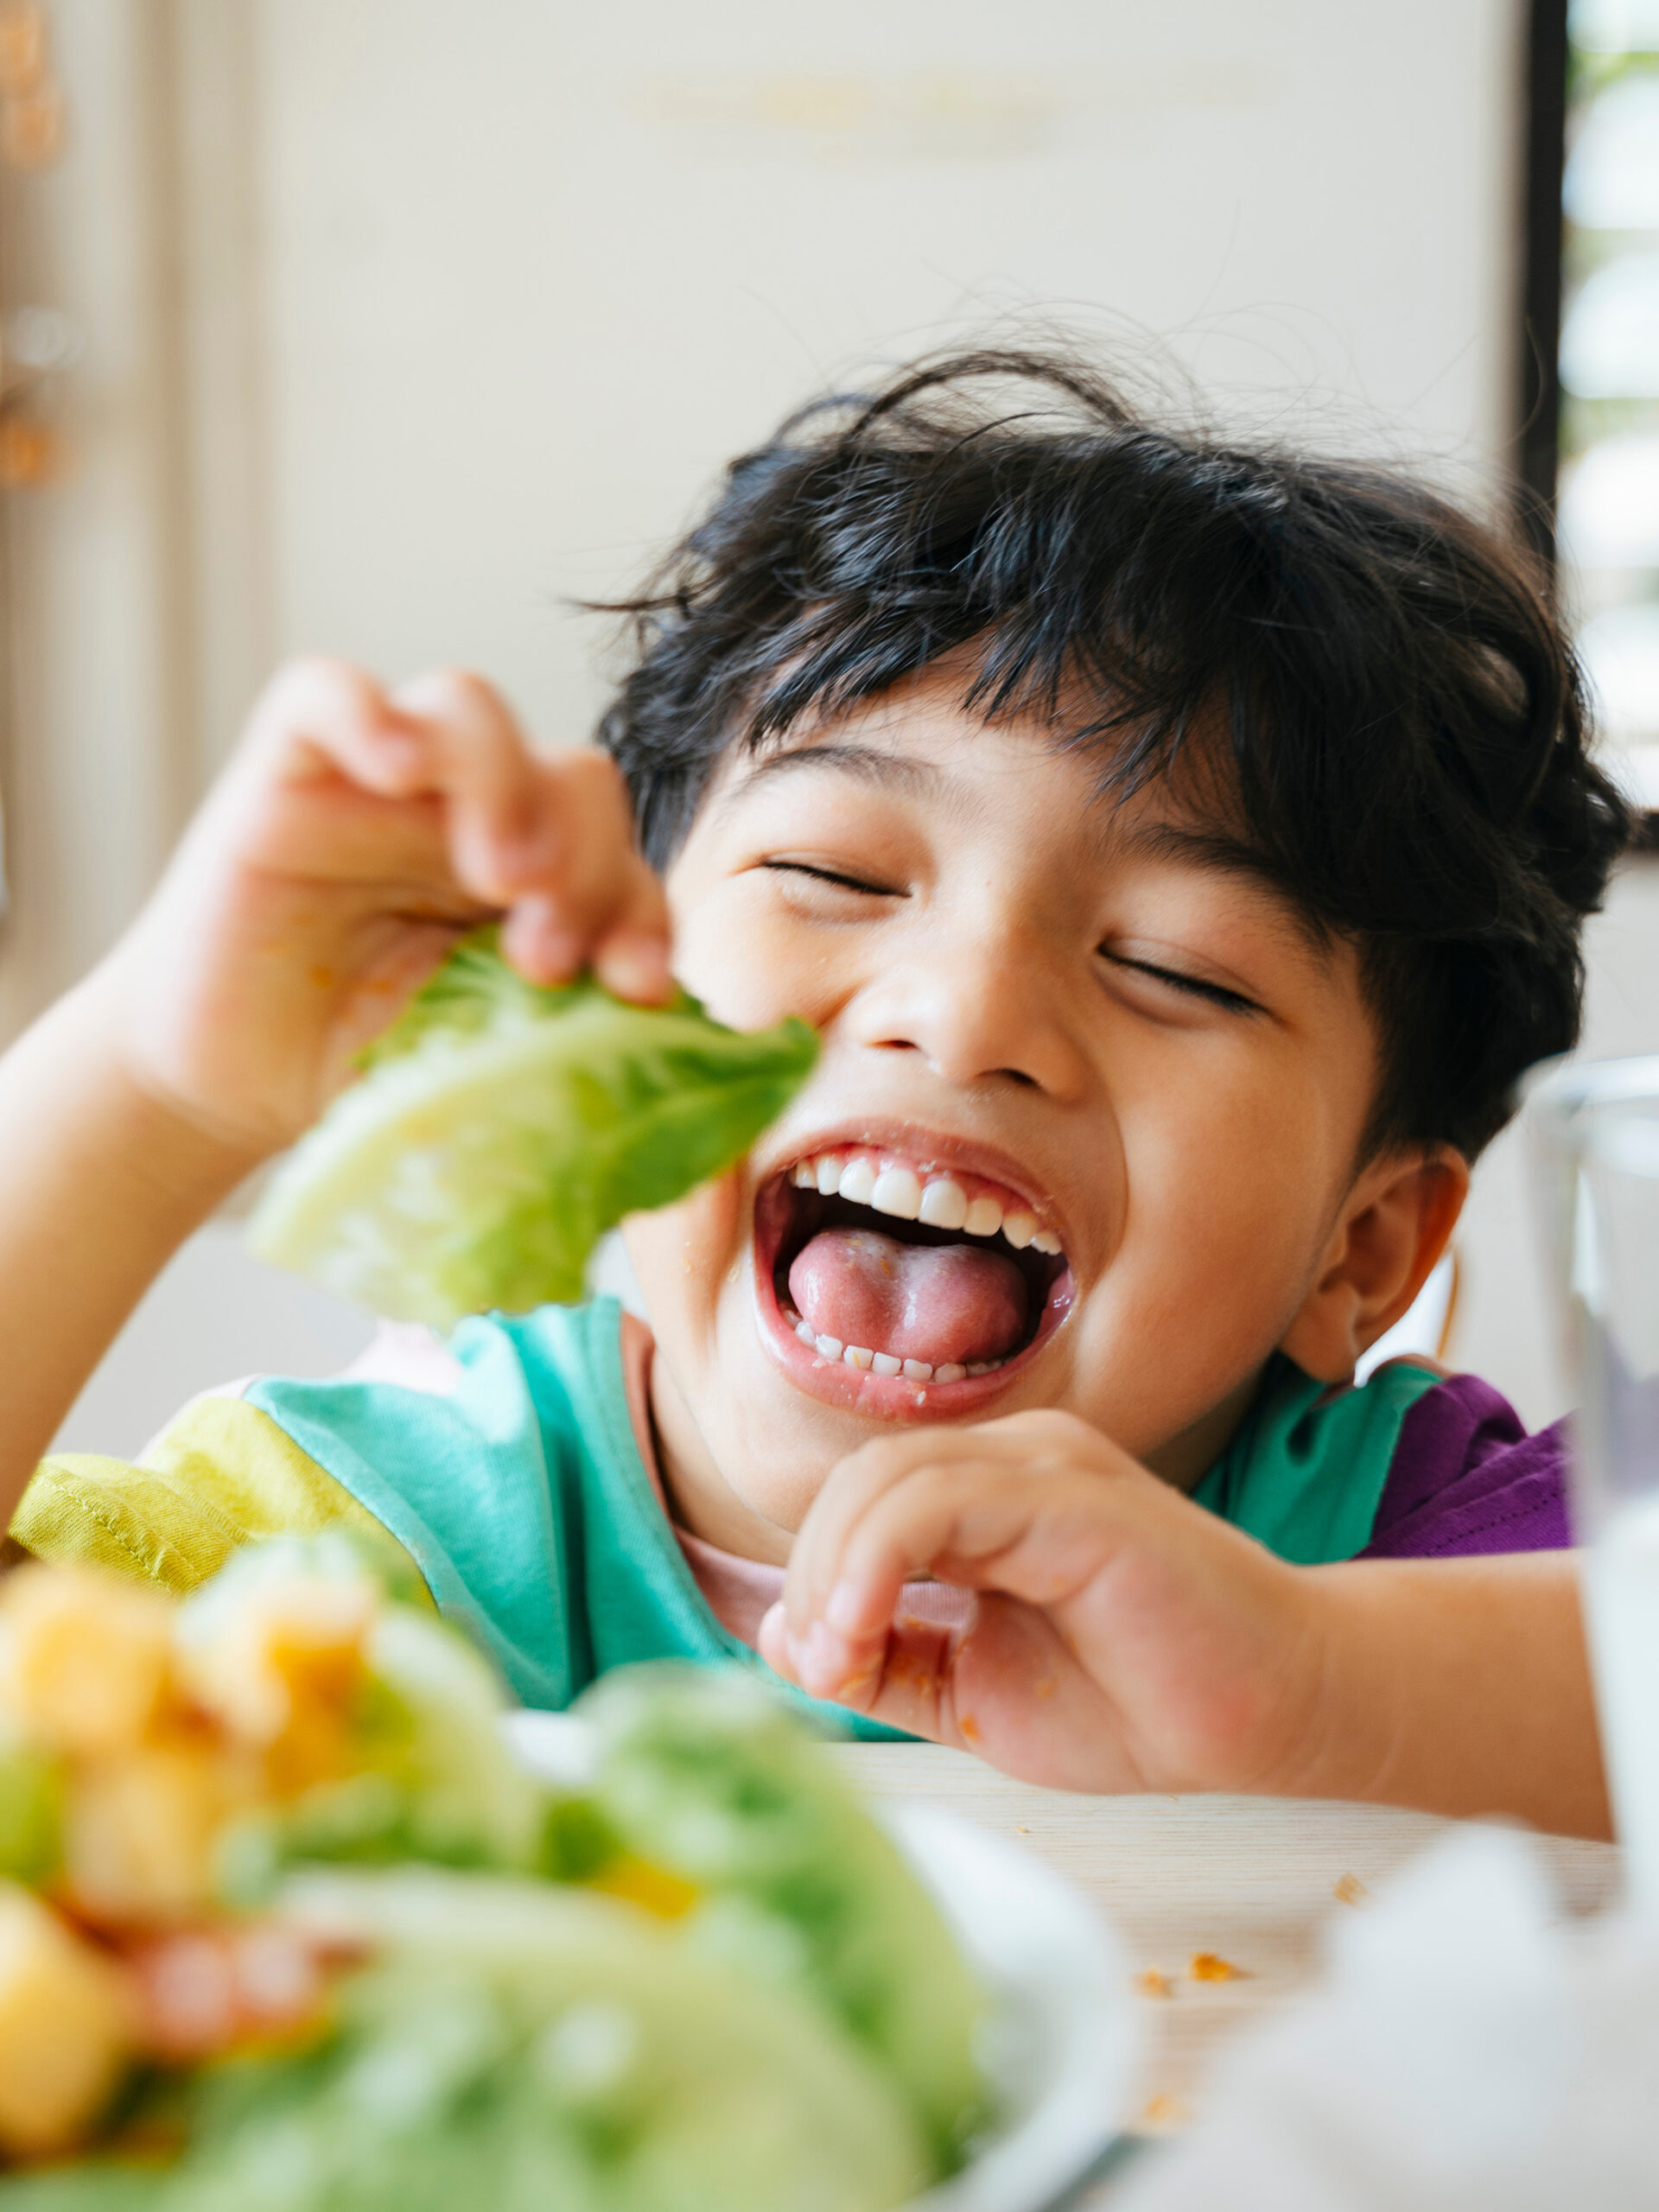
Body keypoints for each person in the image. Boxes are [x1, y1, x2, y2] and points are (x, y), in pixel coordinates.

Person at [0, 352, 1627, 1839]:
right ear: (606, 991)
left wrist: (1318, 1683)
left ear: (1362, 1249)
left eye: (1181, 968)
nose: (967, 1010)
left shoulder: (1411, 1553)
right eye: (835, 870)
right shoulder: (388, 1536)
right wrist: (146, 1088)